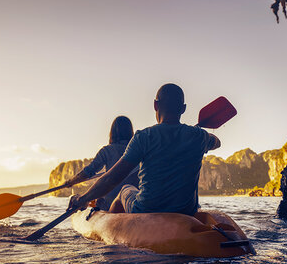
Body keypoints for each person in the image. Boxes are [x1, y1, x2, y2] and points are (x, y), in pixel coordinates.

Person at [67, 83, 220, 215]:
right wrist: (198, 134)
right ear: (183, 108)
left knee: (126, 189)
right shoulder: (199, 136)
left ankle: (115, 226)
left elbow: (111, 179)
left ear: (155, 105)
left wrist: (83, 199)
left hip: (146, 209)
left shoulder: (144, 137)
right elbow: (217, 142)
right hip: (186, 211)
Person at [64, 116, 138, 211]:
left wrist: (71, 182)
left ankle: (83, 203)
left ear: (112, 132)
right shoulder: (137, 150)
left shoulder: (106, 151)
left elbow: (88, 172)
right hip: (132, 201)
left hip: (109, 203)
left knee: (78, 198)